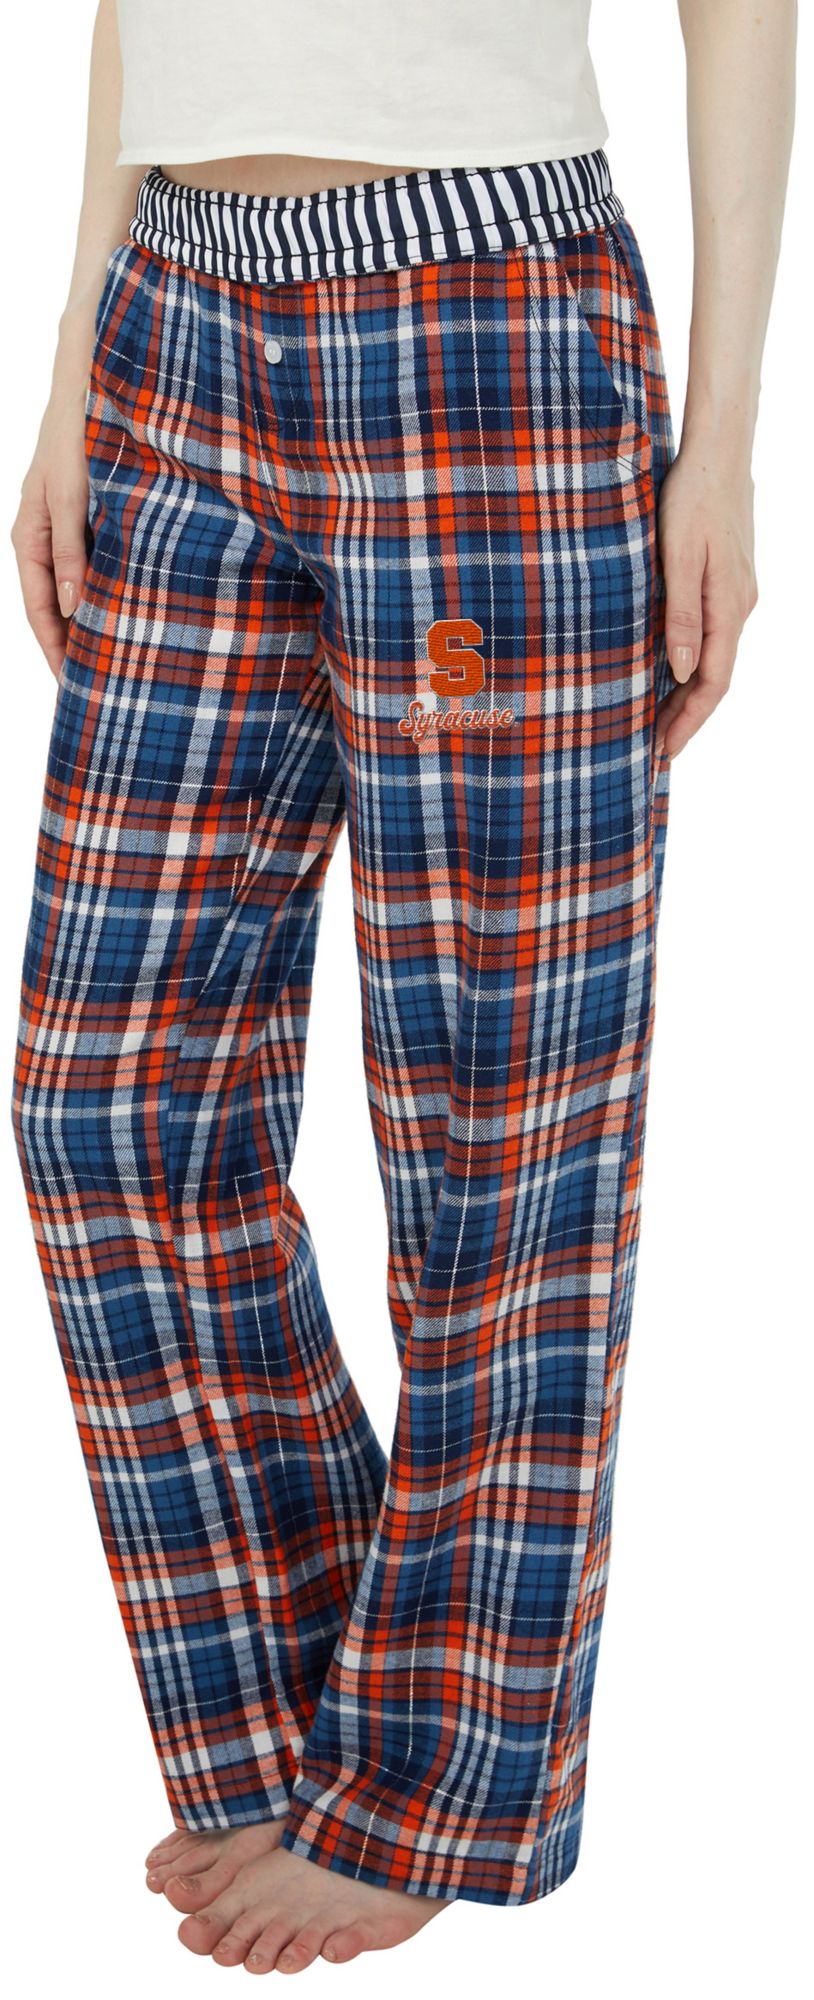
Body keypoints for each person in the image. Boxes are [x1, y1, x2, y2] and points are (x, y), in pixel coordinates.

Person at [9, 0, 795, 1977]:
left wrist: (718, 442)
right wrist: (69, 367)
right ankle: (298, 1731)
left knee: (492, 1108)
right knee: (102, 1098)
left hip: (481, 334)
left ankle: (442, 1781)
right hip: (176, 324)